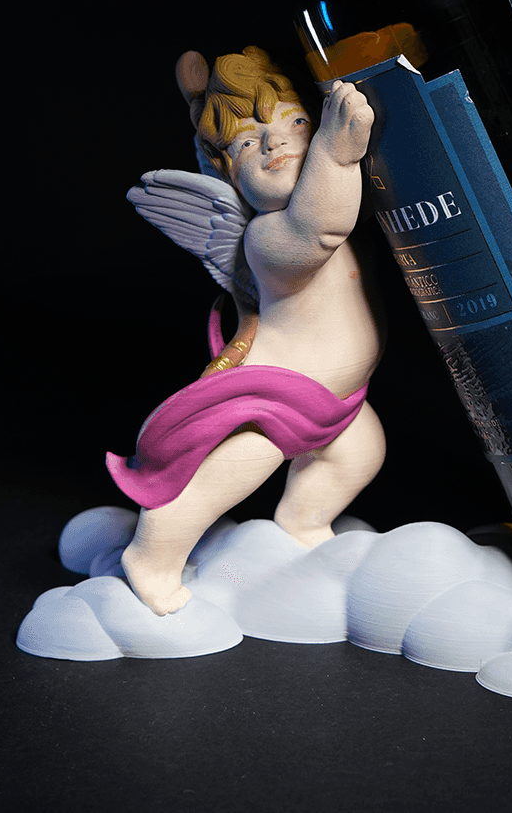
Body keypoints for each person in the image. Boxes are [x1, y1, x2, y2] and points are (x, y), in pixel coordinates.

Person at [107, 47, 386, 616]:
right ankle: (152, 554)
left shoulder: (351, 206)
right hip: (280, 396)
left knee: (360, 455)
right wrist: (333, 154)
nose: (274, 142)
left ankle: (302, 524)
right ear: (229, 175)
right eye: (247, 144)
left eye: (295, 122)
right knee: (235, 472)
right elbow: (319, 230)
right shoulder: (269, 237)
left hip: (342, 402)